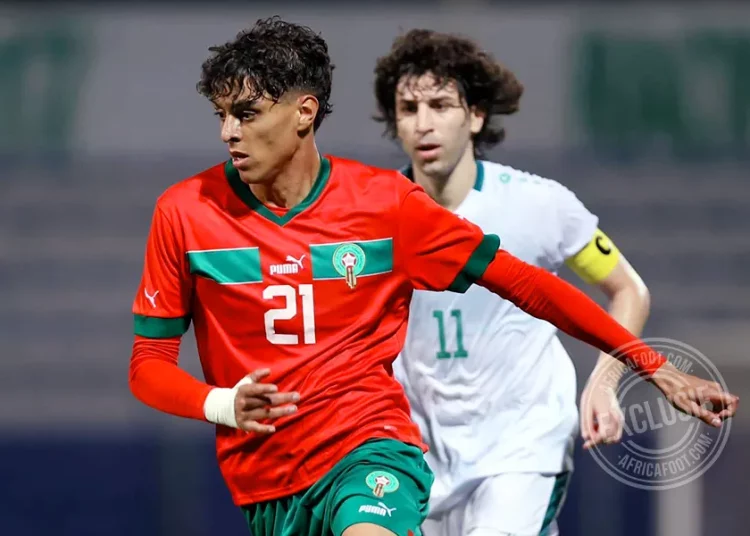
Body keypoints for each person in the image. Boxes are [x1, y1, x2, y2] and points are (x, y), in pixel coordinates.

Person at [129, 17, 738, 536]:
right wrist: (222, 403)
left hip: (371, 449)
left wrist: (648, 365)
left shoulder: (386, 206)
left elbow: (527, 285)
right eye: (221, 115)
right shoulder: (184, 213)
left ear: (303, 113)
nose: (228, 132)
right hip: (265, 478)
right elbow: (148, 366)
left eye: (246, 114)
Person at [372, 28, 662, 535]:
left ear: (476, 115)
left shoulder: (539, 204)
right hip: (420, 454)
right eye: (409, 109)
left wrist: (604, 380)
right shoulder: (372, 217)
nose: (424, 123)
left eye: (440, 105)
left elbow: (628, 290)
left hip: (521, 443)